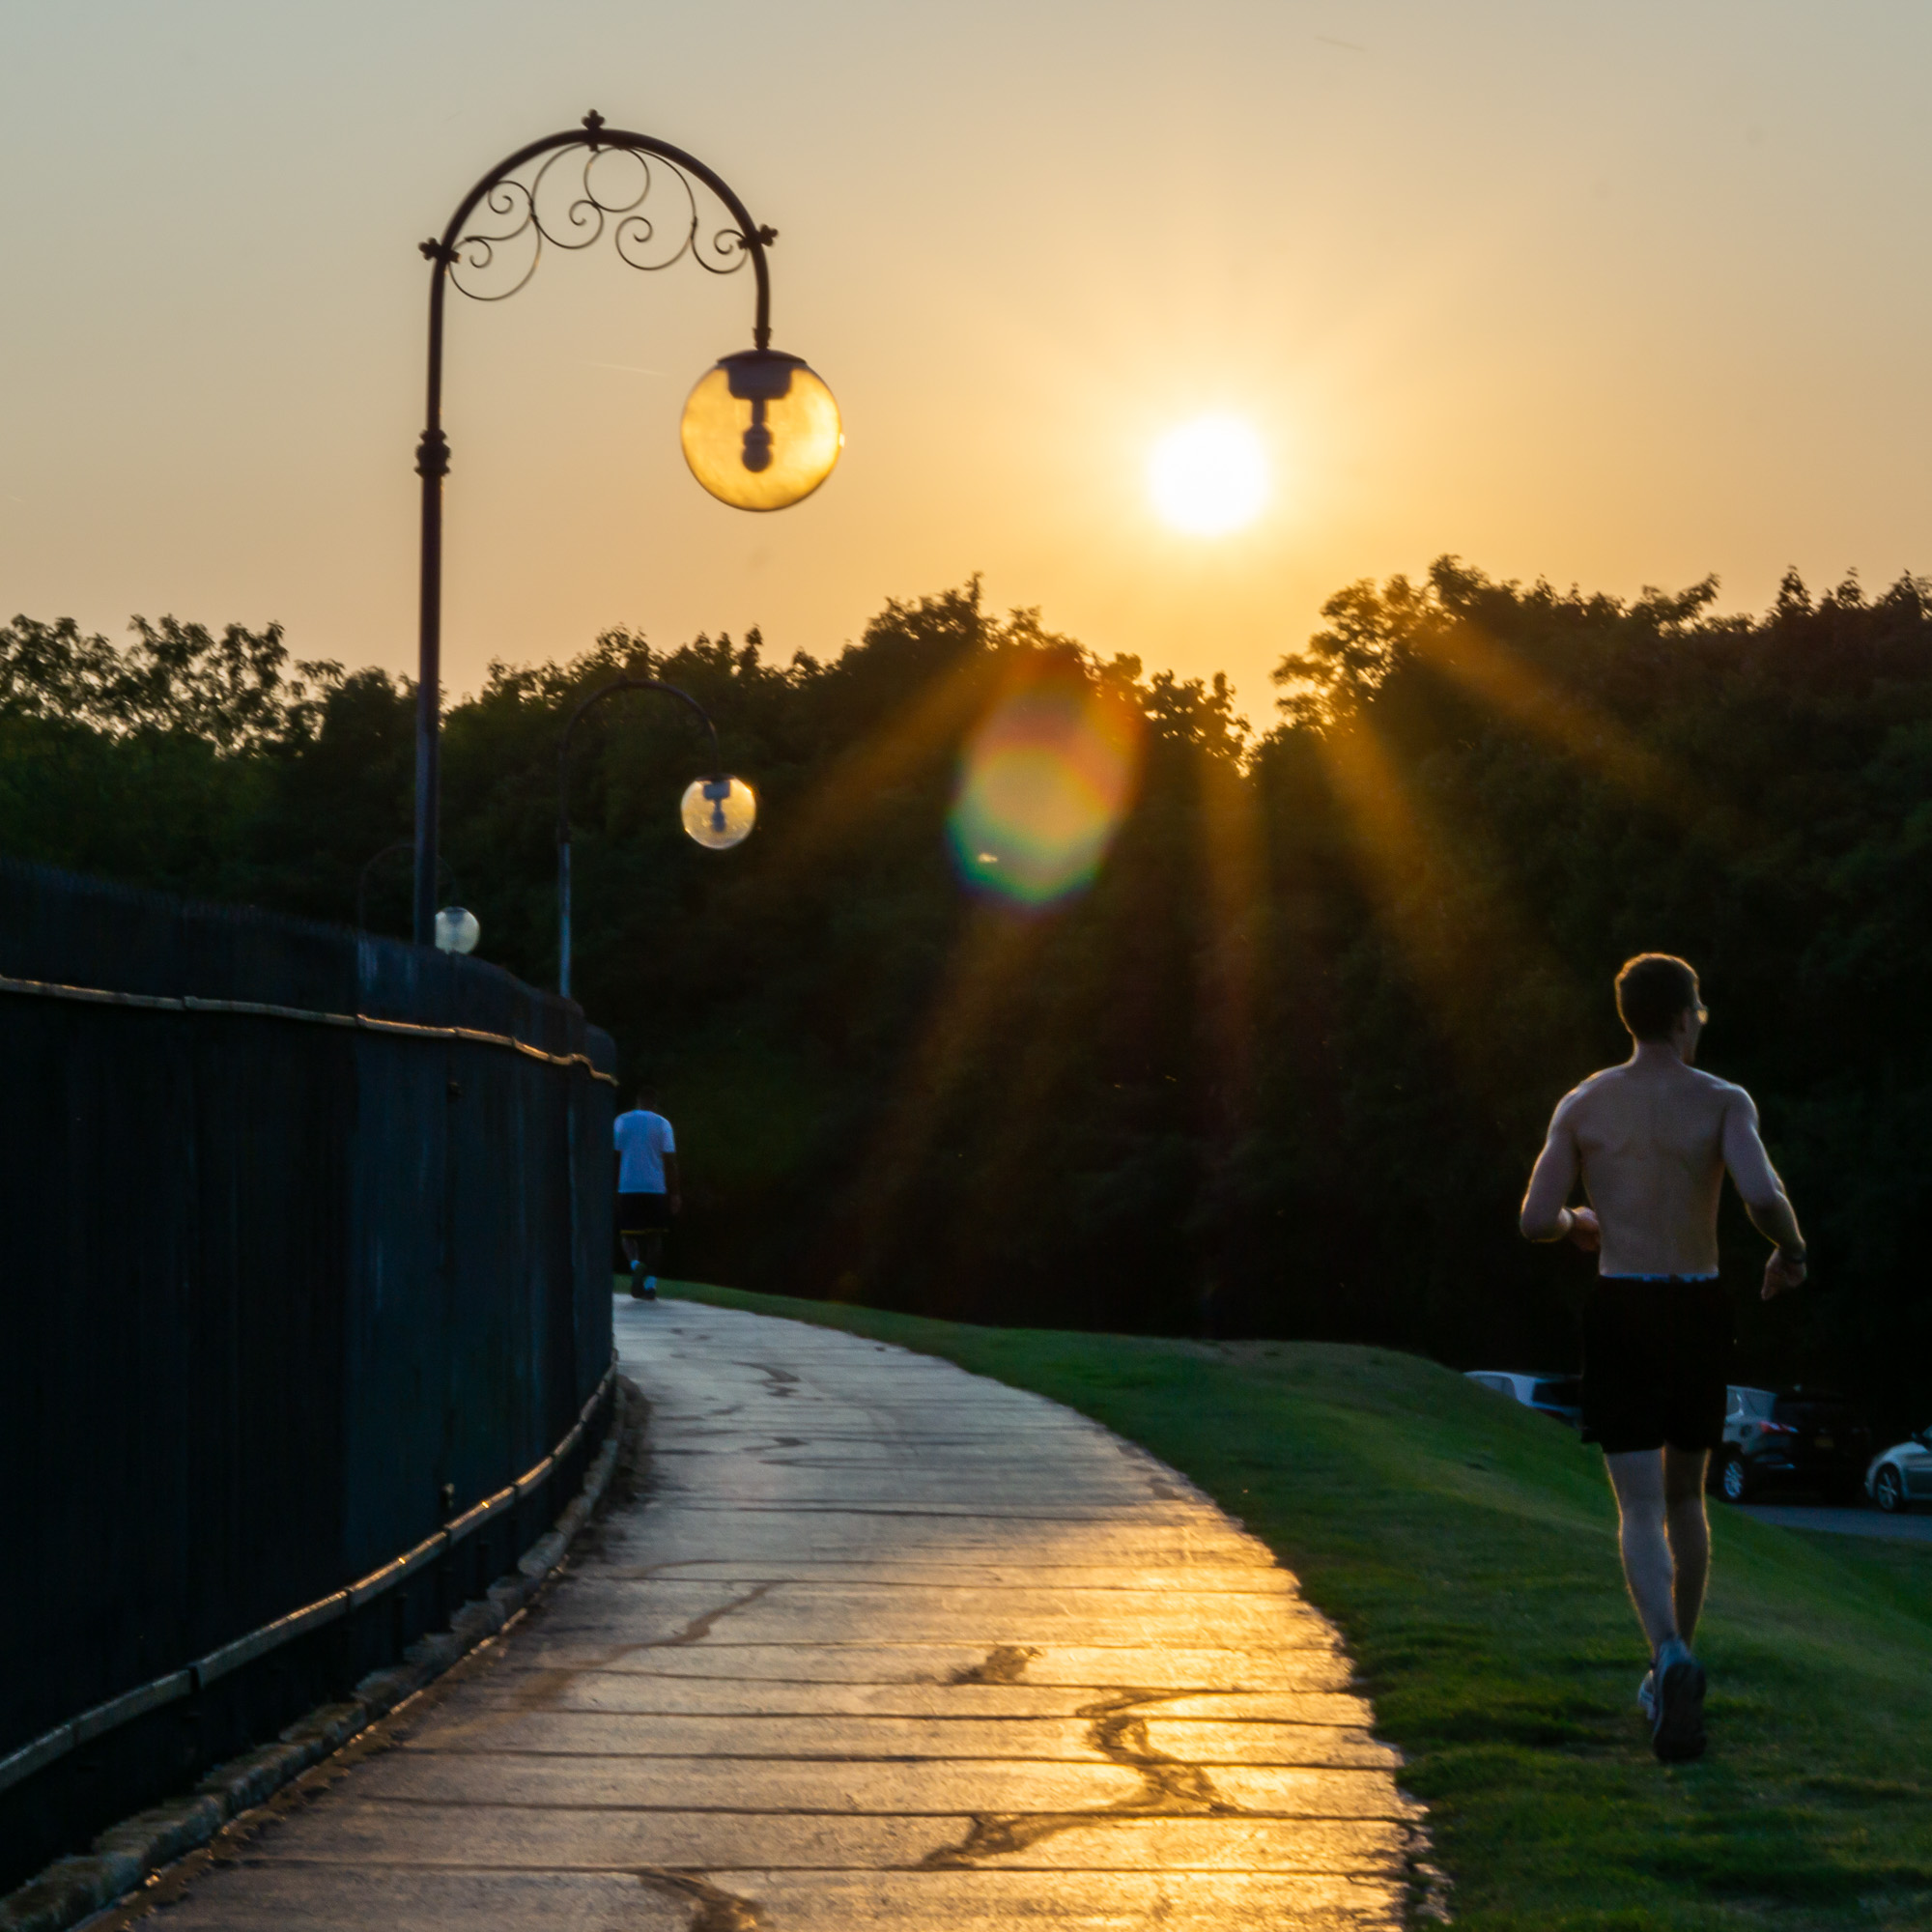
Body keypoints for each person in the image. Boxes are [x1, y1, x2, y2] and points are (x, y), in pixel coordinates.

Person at [1519, 953, 1807, 1763]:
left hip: (1622, 1305)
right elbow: (1760, 1195)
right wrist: (1792, 1253)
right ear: (1685, 1017)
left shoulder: (1583, 1103)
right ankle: (1680, 1652)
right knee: (1689, 1501)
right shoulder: (1721, 1101)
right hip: (1697, 1306)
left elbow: (1534, 1217)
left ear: (1628, 1018)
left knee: (1638, 1507)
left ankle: (1666, 1659)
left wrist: (1580, 1221)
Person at [613, 1086, 680, 1301]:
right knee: (655, 1237)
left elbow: (614, 1155)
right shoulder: (663, 1124)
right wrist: (675, 1193)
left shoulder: (622, 1121)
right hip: (654, 1188)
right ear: (655, 1104)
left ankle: (635, 1265)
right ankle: (650, 1284)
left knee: (627, 1234)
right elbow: (670, 1161)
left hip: (628, 1186)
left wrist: (613, 1187)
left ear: (637, 1102)